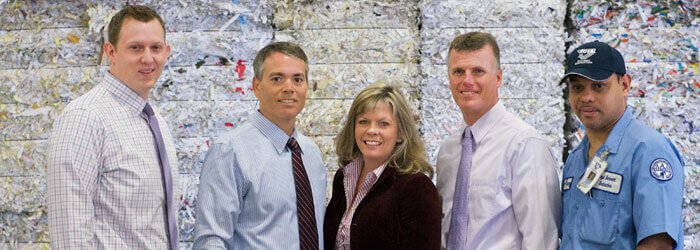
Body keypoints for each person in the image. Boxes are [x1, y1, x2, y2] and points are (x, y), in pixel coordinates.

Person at [47, 5, 178, 249]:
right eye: (135, 47)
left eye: (156, 48)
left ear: (166, 52)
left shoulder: (154, 119)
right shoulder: (85, 118)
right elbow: (70, 234)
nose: (148, 58)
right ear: (111, 52)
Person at [193, 41, 326, 249]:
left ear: (307, 87)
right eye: (277, 79)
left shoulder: (311, 154)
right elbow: (211, 240)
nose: (289, 88)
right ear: (256, 87)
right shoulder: (230, 151)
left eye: (297, 79)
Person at [436, 32, 561, 249]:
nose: (467, 80)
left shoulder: (525, 145)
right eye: (458, 71)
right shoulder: (448, 151)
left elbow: (540, 240)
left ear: (499, 78)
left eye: (478, 71)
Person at [559, 41, 684, 249]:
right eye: (577, 87)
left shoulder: (648, 151)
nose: (586, 97)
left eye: (598, 86)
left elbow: (658, 244)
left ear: (624, 85)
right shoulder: (575, 160)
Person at [324, 82, 441, 250]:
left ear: (400, 133)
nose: (371, 130)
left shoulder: (416, 188)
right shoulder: (343, 178)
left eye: (383, 124)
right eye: (363, 121)